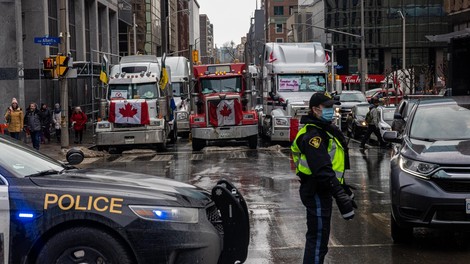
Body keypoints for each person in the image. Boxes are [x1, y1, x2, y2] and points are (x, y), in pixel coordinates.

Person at [291, 92, 355, 264]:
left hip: (321, 189)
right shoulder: (314, 136)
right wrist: (339, 194)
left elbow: (332, 166)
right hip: (316, 191)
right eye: (327, 107)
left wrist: (342, 187)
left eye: (332, 107)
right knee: (318, 239)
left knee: (320, 239)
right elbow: (322, 169)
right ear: (315, 109)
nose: (331, 110)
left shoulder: (324, 129)